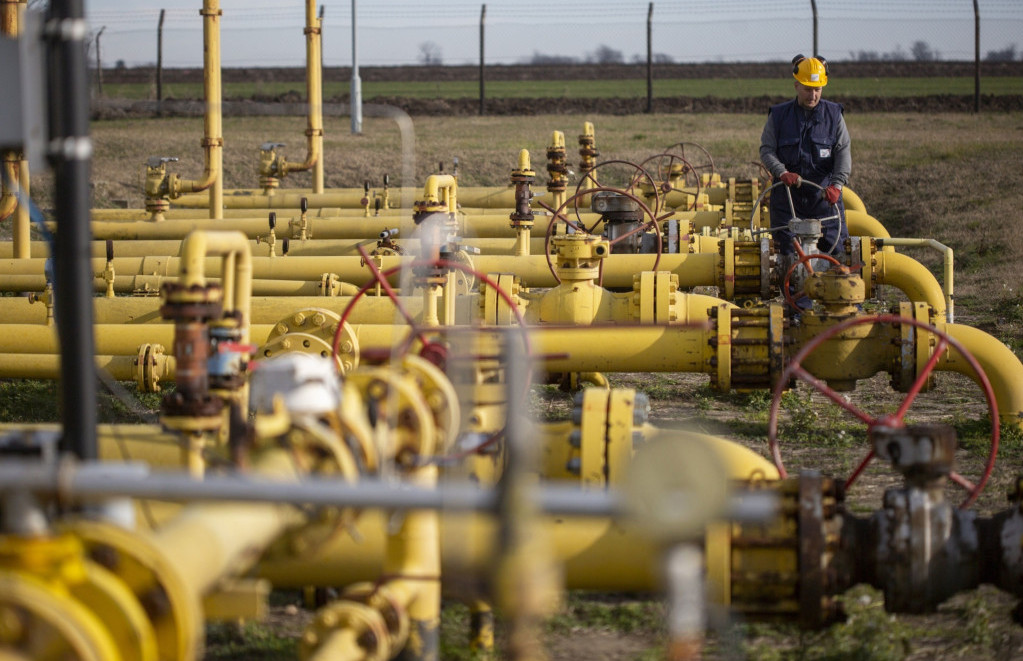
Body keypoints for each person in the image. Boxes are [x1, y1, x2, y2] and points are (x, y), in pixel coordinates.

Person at [760, 54, 851, 308]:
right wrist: (781, 172)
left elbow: (843, 152)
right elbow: (766, 150)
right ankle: (797, 309)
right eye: (809, 89)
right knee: (787, 256)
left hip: (825, 199)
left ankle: (839, 307)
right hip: (788, 199)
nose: (813, 95)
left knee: (837, 253)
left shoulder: (834, 115)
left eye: (818, 89)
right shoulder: (779, 116)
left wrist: (837, 185)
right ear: (796, 85)